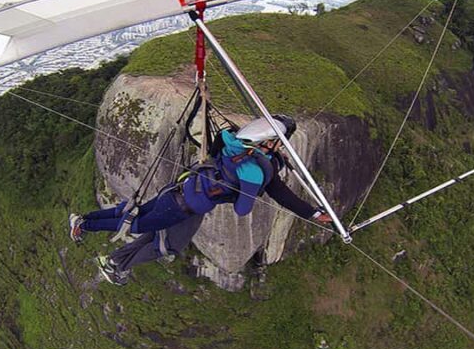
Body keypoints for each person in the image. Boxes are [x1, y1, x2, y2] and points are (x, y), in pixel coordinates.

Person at [69, 114, 333, 285]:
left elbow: (278, 190)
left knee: (139, 219)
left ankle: (90, 228)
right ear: (270, 142)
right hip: (182, 206)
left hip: (180, 190)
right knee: (139, 227)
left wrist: (309, 211)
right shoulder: (253, 173)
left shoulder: (231, 139)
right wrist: (249, 189)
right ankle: (88, 229)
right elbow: (244, 209)